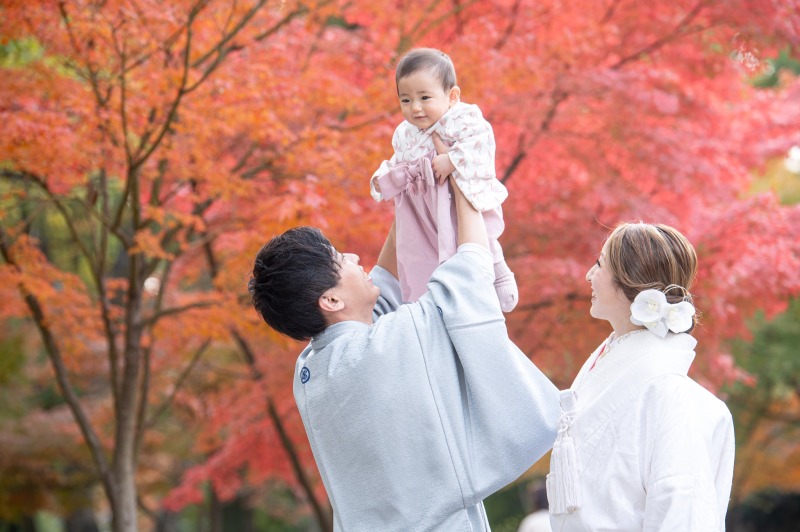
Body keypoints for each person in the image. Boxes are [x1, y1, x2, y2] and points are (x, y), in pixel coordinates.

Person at [249, 144, 559, 532]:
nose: (353, 257)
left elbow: (383, 289)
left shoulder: (312, 370)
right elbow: (467, 278)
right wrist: (466, 179)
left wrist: (409, 191)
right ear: (330, 300)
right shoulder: (381, 347)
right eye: (340, 259)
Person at [546, 222, 735, 531]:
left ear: (630, 280)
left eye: (599, 265)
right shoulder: (621, 373)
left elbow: (680, 509)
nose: (589, 275)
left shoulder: (668, 393)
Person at [370, 47, 518, 312]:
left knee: (478, 236)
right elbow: (400, 160)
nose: (415, 108)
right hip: (424, 206)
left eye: (424, 97)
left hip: (456, 195)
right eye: (406, 100)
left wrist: (453, 160)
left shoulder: (462, 118)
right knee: (422, 250)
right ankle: (428, 296)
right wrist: (385, 178)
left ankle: (498, 271)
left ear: (452, 96)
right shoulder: (405, 133)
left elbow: (481, 141)